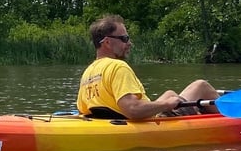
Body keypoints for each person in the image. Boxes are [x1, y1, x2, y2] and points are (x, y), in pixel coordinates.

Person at [77, 14, 221, 119]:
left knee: (170, 94)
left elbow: (83, 112)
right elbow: (132, 109)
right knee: (201, 86)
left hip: (116, 122)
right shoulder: (117, 67)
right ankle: (235, 121)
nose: (129, 43)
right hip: (151, 123)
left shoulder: (88, 73)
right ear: (107, 42)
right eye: (124, 39)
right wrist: (166, 105)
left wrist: (166, 102)